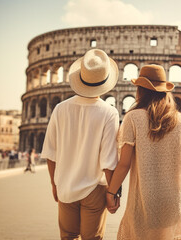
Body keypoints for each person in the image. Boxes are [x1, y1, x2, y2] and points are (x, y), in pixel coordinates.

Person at [106, 64, 181, 239]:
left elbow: (124, 165)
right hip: (174, 201)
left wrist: (111, 192)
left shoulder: (132, 118)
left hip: (144, 200)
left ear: (140, 90)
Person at [40, 49, 120, 240]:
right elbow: (108, 161)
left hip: (66, 186)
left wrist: (54, 184)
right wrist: (113, 193)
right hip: (95, 188)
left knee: (68, 237)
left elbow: (51, 153)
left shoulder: (60, 109)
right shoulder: (109, 113)